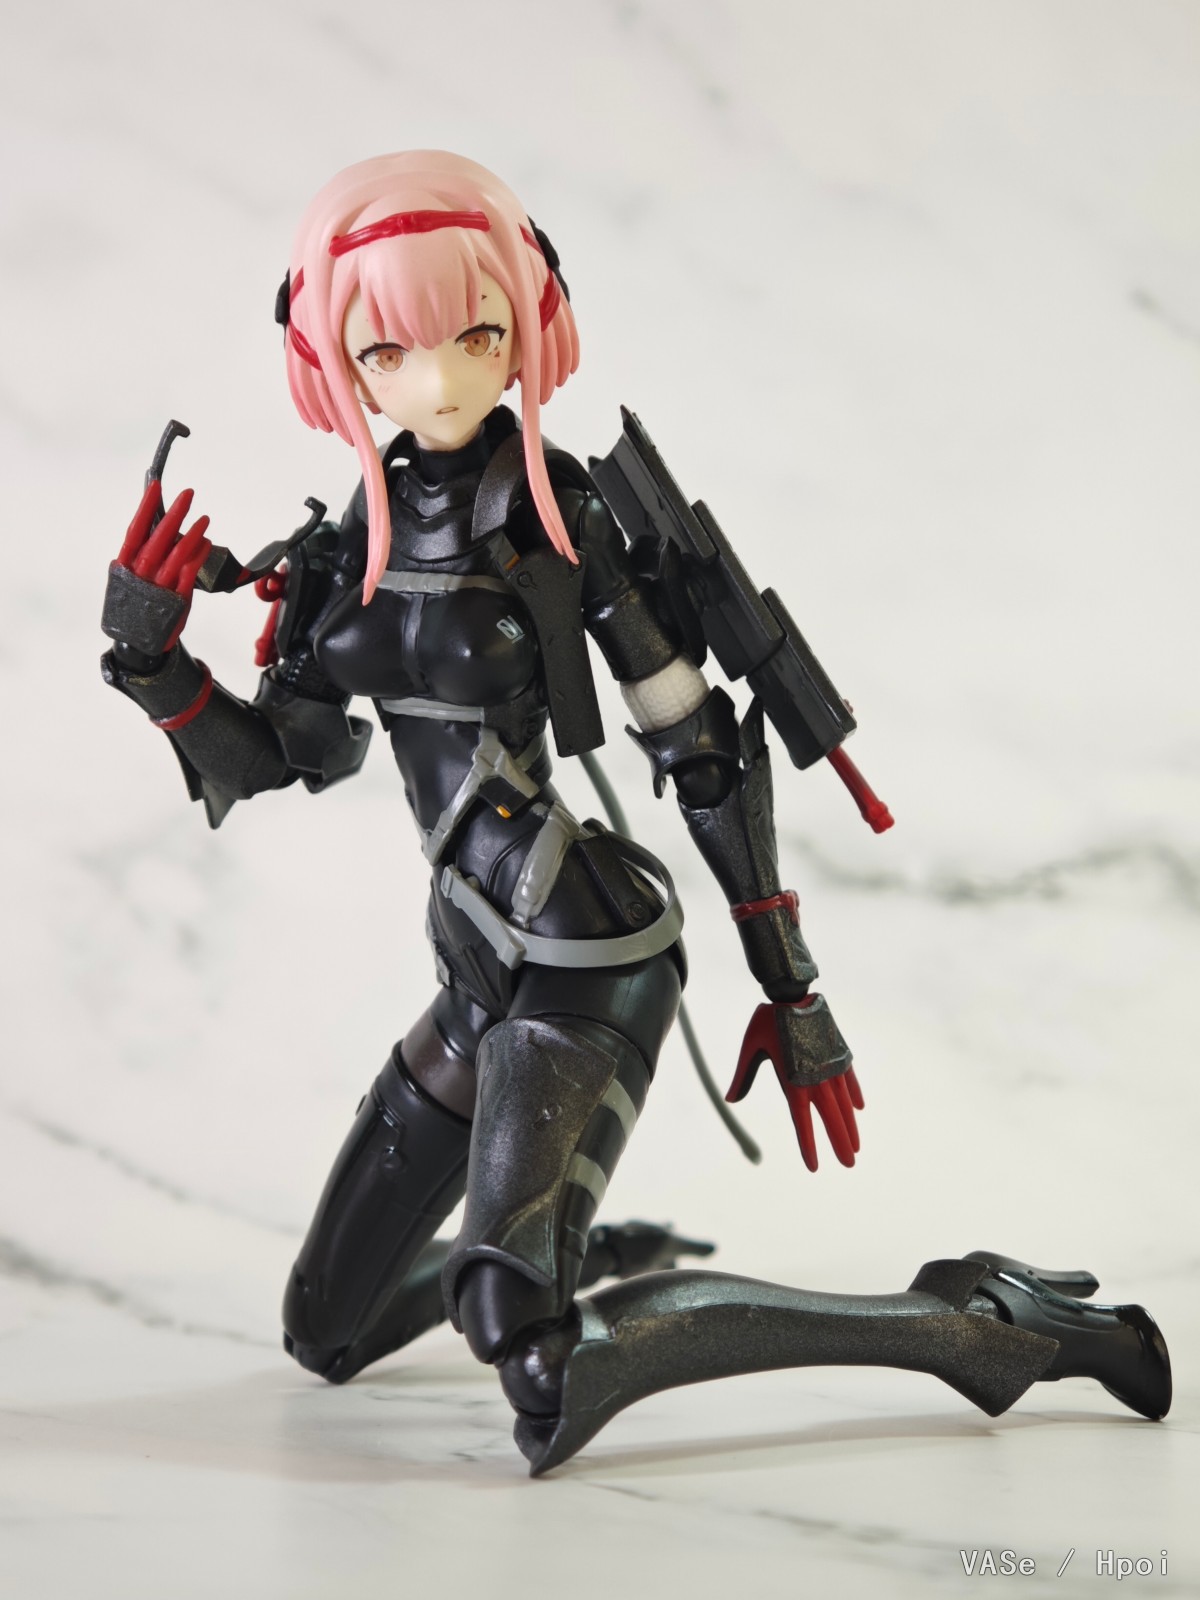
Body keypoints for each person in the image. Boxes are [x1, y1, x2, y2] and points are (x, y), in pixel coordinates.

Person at [100, 150, 1171, 1475]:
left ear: (528, 322)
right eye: (388, 351)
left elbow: (701, 746)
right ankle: (565, 1242)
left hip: (584, 950)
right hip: (475, 965)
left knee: (535, 1361)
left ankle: (974, 1323)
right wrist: (154, 665)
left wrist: (791, 986)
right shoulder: (339, 554)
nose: (440, 380)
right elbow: (284, 755)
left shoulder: (561, 518)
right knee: (326, 1328)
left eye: (476, 336)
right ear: (336, 363)